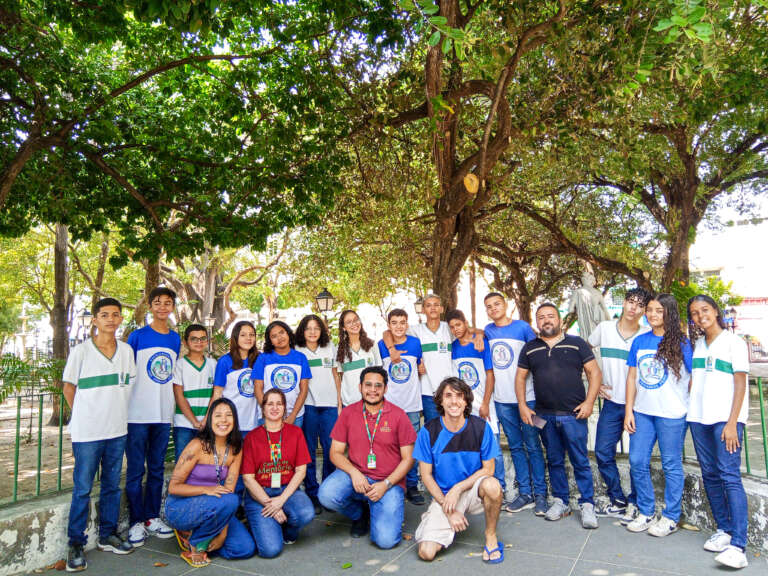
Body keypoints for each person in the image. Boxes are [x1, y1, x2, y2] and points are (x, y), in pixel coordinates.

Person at [63, 298, 136, 572]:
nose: (110, 319)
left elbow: (128, 386)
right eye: (104, 314)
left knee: (111, 486)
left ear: (120, 320)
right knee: (82, 488)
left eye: (115, 315)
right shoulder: (81, 352)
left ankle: (107, 535)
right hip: (87, 433)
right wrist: (83, 414)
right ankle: (75, 543)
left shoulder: (127, 351)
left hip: (117, 430)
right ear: (95, 319)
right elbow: (68, 387)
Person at [517, 303, 602, 529]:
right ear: (537, 323)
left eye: (551, 316)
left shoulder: (577, 344)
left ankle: (587, 505)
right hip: (543, 416)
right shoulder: (529, 348)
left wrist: (589, 402)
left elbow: (594, 372)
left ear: (560, 320)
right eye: (542, 317)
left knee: (580, 460)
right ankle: (561, 501)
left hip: (574, 415)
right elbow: (519, 377)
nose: (546, 320)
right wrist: (523, 406)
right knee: (553, 459)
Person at [318, 367, 416, 549]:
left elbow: (409, 459)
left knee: (385, 541)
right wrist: (354, 473)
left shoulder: (398, 415)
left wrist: (386, 484)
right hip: (356, 476)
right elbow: (335, 452)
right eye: (368, 385)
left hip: (388, 482)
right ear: (360, 387)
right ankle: (358, 514)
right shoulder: (348, 413)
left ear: (385, 389)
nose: (373, 390)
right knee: (326, 495)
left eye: (378, 386)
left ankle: (375, 507)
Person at [687, 294, 750, 569]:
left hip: (726, 421)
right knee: (710, 474)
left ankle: (739, 545)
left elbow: (740, 383)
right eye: (695, 313)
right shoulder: (699, 344)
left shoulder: (734, 342)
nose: (701, 316)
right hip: (699, 418)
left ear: (715, 311)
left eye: (705, 310)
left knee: (729, 475)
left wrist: (733, 422)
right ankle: (724, 530)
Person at [414, 378, 504, 564]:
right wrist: (449, 510)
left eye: (459, 396)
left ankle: (491, 536)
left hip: (471, 490)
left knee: (493, 486)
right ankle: (433, 517)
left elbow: (489, 469)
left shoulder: (481, 427)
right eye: (448, 396)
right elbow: (426, 475)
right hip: (444, 497)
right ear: (440, 400)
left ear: (466, 401)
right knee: (426, 553)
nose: (454, 401)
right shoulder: (428, 432)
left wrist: (458, 488)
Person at [624, 293, 692, 537]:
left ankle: (671, 516)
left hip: (672, 414)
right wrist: (628, 410)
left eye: (659, 311)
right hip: (642, 413)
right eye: (650, 310)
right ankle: (646, 510)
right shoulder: (640, 342)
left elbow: (694, 379)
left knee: (671, 463)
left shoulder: (682, 343)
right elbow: (632, 377)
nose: (653, 314)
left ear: (669, 314)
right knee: (637, 461)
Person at [165, 398, 255, 567]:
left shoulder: (236, 449)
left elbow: (228, 492)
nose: (223, 420)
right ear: (210, 420)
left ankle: (197, 536)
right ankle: (196, 543)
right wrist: (206, 489)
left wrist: (222, 534)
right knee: (230, 500)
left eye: (228, 415)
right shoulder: (197, 445)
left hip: (217, 508)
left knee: (245, 549)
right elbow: (173, 487)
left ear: (235, 420)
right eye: (218, 415)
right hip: (180, 507)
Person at [588, 287, 651, 522]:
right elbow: (584, 352)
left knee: (638, 457)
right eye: (631, 302)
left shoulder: (646, 334)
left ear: (645, 310)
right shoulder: (604, 329)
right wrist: (595, 382)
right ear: (624, 303)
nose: (634, 308)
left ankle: (635, 502)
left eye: (640, 305)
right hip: (613, 403)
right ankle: (618, 499)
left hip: (640, 406)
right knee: (603, 451)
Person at [126, 287, 181, 546]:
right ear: (150, 306)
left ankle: (151, 517)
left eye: (167, 303)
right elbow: (127, 374)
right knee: (136, 469)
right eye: (157, 302)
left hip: (163, 414)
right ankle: (136, 522)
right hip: (136, 414)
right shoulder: (137, 337)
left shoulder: (175, 339)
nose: (162, 307)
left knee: (157, 468)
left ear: (172, 307)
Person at [483, 292, 546, 514]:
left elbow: (538, 352)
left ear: (506, 305)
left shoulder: (522, 328)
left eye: (497, 304)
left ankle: (540, 494)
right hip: (502, 401)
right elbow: (475, 334)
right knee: (516, 446)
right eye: (489, 306)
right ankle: (525, 493)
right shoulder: (488, 331)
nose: (493, 309)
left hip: (527, 398)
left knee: (533, 445)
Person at [241, 389, 316, 557]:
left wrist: (281, 500)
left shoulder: (295, 433)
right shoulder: (252, 437)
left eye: (279, 404)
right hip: (260, 494)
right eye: (270, 404)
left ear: (284, 408)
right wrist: (271, 506)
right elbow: (248, 478)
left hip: (287, 490)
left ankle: (287, 533)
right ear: (263, 408)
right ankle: (265, 523)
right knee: (270, 550)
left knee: (305, 513)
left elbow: (301, 471)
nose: (274, 408)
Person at [446, 309, 506, 492]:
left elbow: (490, 375)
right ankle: (477, 488)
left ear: (465, 322)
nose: (455, 329)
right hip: (465, 407)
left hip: (484, 404)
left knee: (492, 446)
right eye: (451, 327)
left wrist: (486, 403)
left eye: (458, 324)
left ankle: (500, 487)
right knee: (470, 448)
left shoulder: (481, 344)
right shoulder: (453, 347)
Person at [378, 309, 425, 505]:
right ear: (388, 325)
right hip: (389, 405)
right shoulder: (381, 345)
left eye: (402, 322)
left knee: (411, 446)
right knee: (388, 445)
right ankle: (392, 481)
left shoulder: (415, 343)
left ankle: (412, 485)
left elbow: (420, 368)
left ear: (407, 324)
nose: (399, 326)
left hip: (412, 404)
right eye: (394, 322)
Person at [381, 295, 453, 423]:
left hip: (450, 390)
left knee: (453, 430)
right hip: (427, 392)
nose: (433, 308)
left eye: (436, 304)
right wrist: (391, 349)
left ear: (441, 308)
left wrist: (479, 335)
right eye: (428, 305)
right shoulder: (415, 330)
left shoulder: (449, 328)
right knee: (432, 431)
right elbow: (387, 332)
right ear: (423, 310)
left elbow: (467, 331)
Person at [295, 314, 341, 514]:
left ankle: (327, 491)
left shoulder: (329, 347)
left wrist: (339, 403)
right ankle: (313, 492)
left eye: (316, 328)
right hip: (309, 407)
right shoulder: (297, 351)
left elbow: (336, 375)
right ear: (302, 331)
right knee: (309, 450)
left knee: (332, 449)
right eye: (308, 328)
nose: (313, 332)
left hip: (330, 406)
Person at [252, 321, 311, 427]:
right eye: (274, 336)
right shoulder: (263, 358)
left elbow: (304, 389)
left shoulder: (301, 358)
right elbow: (258, 388)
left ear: (288, 333)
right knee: (267, 444)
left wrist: (293, 415)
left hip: (295, 416)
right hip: (268, 416)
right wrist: (268, 412)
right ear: (270, 341)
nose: (279, 338)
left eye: (282, 332)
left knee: (291, 444)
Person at [172, 324, 217, 461]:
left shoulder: (213, 364)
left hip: (207, 423)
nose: (199, 342)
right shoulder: (179, 365)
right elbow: (179, 396)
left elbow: (216, 394)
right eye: (194, 339)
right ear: (185, 342)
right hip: (184, 423)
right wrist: (194, 422)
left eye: (203, 338)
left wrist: (205, 419)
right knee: (184, 462)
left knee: (206, 462)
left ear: (207, 341)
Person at [210, 321, 261, 434]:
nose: (248, 338)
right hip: (231, 422)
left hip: (255, 422)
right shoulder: (225, 361)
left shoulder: (260, 359)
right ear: (235, 337)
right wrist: (212, 419)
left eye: (252, 335)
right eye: (243, 335)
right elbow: (218, 393)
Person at [336, 309, 381, 407]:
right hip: (348, 404)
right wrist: (340, 404)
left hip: (371, 402)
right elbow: (340, 377)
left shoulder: (372, 345)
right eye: (349, 322)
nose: (354, 324)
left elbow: (379, 374)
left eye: (356, 320)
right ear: (343, 328)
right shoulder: (339, 350)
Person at [567, 270, 611, 340]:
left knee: (586, 343)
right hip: (597, 323)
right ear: (592, 281)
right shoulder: (598, 293)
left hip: (585, 326)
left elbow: (570, 310)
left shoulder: (577, 292)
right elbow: (604, 309)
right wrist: (610, 321)